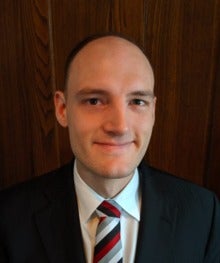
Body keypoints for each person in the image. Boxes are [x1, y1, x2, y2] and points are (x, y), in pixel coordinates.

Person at [0, 34, 219, 263]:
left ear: (153, 111)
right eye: (94, 101)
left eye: (137, 102)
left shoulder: (203, 214)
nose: (119, 126)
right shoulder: (9, 218)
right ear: (62, 109)